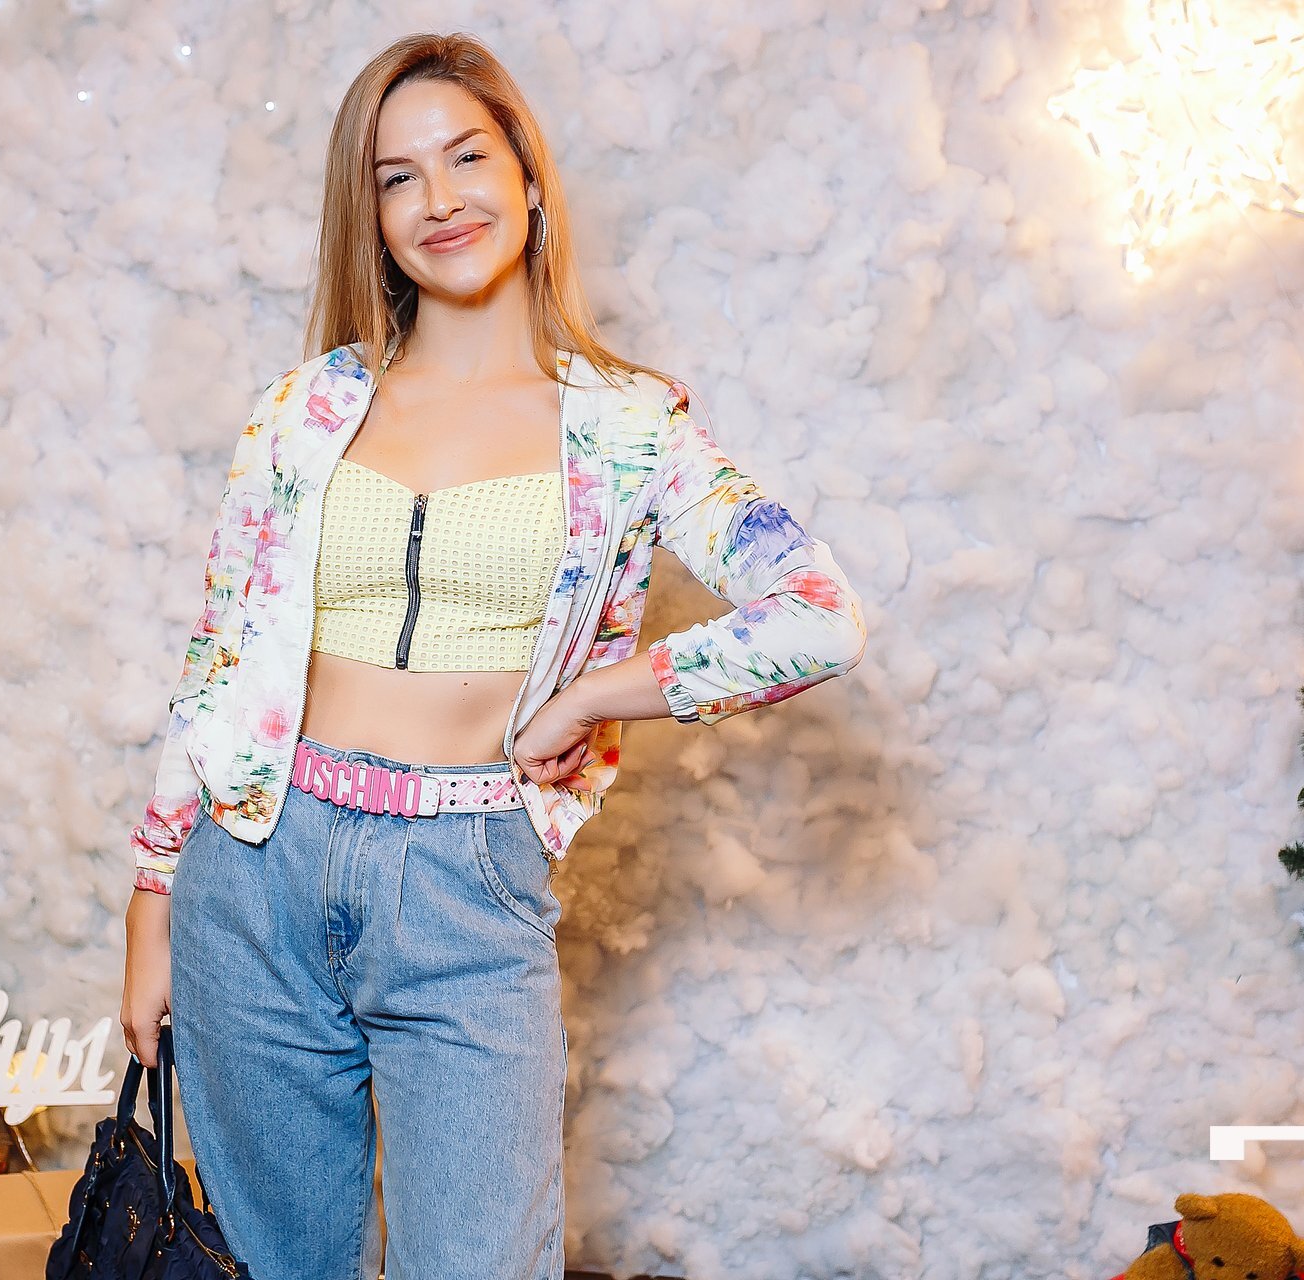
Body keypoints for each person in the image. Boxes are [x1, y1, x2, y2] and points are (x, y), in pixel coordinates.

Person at [119, 30, 868, 1280]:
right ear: (370, 216)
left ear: (526, 174)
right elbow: (222, 656)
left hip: (464, 876)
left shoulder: (628, 427)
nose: (439, 198)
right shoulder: (304, 410)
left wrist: (600, 694)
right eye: (396, 176)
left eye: (466, 156)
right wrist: (152, 896)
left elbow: (819, 612)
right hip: (253, 869)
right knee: (270, 1267)